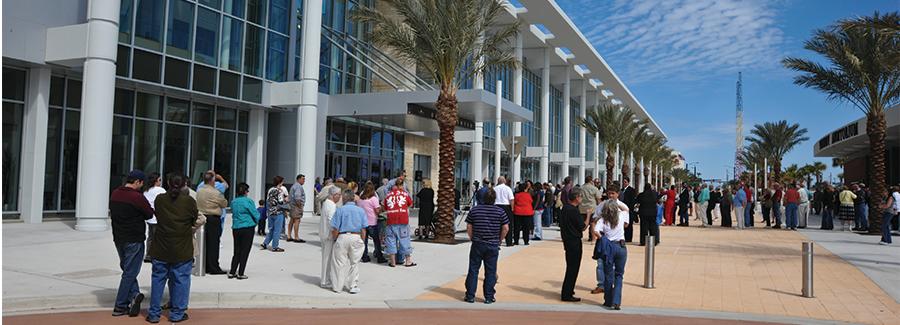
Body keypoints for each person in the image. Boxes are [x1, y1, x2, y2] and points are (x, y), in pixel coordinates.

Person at [146, 174, 198, 323]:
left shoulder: (160, 200)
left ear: (168, 183)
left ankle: (154, 314)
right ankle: (177, 313)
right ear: (184, 185)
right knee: (181, 280)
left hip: (161, 247)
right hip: (182, 248)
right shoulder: (189, 201)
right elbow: (194, 219)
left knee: (158, 279)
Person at [109, 170, 154, 317]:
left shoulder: (115, 193)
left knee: (127, 268)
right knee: (130, 272)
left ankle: (134, 294)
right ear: (138, 182)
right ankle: (120, 305)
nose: (142, 186)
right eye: (142, 183)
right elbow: (149, 214)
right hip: (134, 238)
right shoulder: (137, 197)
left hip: (119, 237)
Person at [464, 187, 510, 304]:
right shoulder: (500, 211)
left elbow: (469, 226)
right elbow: (505, 228)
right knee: (490, 271)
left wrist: (472, 237)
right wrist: (500, 239)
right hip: (493, 244)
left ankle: (470, 295)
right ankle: (489, 296)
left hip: (478, 243)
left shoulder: (474, 210)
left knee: (473, 270)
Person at [591, 186, 628, 295]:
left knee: (615, 268)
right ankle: (601, 285)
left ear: (618, 194)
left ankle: (611, 292)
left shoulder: (622, 208)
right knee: (601, 264)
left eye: (613, 193)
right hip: (604, 240)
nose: (610, 196)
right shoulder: (602, 205)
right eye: (609, 193)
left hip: (616, 241)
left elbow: (626, 223)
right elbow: (595, 218)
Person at [329, 189, 368, 294]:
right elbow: (364, 229)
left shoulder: (340, 210)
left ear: (344, 198)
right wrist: (362, 241)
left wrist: (335, 238)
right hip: (356, 237)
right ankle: (353, 286)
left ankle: (337, 287)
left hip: (342, 236)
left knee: (339, 263)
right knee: (354, 263)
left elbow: (335, 228)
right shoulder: (360, 210)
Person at [598, 198, 629, 311]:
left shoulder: (603, 220)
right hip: (621, 247)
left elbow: (596, 231)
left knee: (608, 275)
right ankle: (616, 301)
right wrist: (617, 201)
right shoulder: (620, 216)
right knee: (619, 275)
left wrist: (603, 238)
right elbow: (626, 209)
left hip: (609, 247)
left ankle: (608, 300)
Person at [197, 171, 228, 274]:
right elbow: (224, 203)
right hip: (213, 218)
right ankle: (213, 267)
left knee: (204, 243)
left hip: (202, 217)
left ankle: (204, 264)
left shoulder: (199, 190)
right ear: (212, 181)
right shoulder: (215, 192)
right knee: (214, 244)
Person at [559, 188, 586, 302]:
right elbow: (582, 226)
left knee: (570, 266)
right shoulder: (573, 211)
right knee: (573, 268)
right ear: (577, 197)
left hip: (567, 240)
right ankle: (567, 293)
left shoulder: (564, 208)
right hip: (574, 241)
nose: (581, 199)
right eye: (581, 196)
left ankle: (569, 289)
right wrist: (588, 216)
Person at [229, 183, 259, 279]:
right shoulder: (248, 201)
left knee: (237, 250)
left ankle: (232, 271)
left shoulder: (233, 202)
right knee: (245, 250)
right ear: (246, 191)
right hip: (247, 227)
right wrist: (257, 222)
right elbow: (255, 214)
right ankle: (241, 273)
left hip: (236, 227)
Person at [383, 179, 416, 267]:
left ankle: (392, 262)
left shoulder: (388, 195)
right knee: (404, 240)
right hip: (402, 220)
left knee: (391, 240)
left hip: (391, 221)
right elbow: (410, 204)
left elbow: (386, 207)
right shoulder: (405, 194)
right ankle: (408, 261)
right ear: (401, 185)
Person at [358, 182, 386, 264]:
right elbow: (377, 211)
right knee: (376, 241)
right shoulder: (373, 199)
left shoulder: (360, 199)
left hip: (363, 223)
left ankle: (365, 256)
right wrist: (381, 208)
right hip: (372, 222)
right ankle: (379, 256)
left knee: (364, 241)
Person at [319, 186, 341, 288]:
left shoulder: (326, 203)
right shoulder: (331, 205)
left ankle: (325, 279)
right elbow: (331, 221)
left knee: (326, 258)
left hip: (324, 234)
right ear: (334, 195)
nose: (340, 197)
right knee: (327, 259)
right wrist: (335, 234)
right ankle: (325, 280)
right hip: (328, 236)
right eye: (339, 195)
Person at [142, 173, 166, 263]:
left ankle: (148, 255)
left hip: (149, 217)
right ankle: (157, 255)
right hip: (158, 217)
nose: (160, 181)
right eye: (159, 180)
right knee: (158, 238)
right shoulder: (160, 190)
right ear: (156, 181)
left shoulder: (146, 191)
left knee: (150, 236)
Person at [262, 176, 289, 252]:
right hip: (278, 212)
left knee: (271, 229)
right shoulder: (279, 191)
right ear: (280, 182)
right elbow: (281, 202)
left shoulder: (270, 190)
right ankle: (275, 246)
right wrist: (286, 200)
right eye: (282, 181)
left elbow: (268, 200)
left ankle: (265, 243)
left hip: (270, 212)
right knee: (277, 230)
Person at [493, 176, 515, 247]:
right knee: (508, 224)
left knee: (497, 225)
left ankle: (496, 241)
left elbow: (492, 198)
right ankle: (509, 242)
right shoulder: (508, 188)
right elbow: (511, 199)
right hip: (506, 207)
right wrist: (512, 208)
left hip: (496, 206)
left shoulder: (494, 189)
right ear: (504, 181)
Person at [580, 176, 603, 242]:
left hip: (582, 208)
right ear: (590, 181)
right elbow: (598, 199)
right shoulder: (594, 188)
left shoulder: (581, 188)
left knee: (581, 224)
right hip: (592, 208)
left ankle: (579, 237)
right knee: (593, 223)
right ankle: (593, 239)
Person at [287, 174, 307, 243]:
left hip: (292, 206)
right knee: (297, 221)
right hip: (296, 206)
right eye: (303, 179)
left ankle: (289, 236)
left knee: (292, 220)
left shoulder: (294, 186)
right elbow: (298, 198)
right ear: (298, 179)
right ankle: (296, 237)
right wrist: (300, 206)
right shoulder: (298, 187)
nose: (304, 181)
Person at [620, 177, 637, 242]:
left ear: (628, 182)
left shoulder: (632, 190)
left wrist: (630, 209)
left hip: (629, 209)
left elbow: (632, 201)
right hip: (622, 210)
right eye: (623, 182)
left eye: (625, 182)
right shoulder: (621, 190)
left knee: (629, 224)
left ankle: (629, 238)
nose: (624, 183)